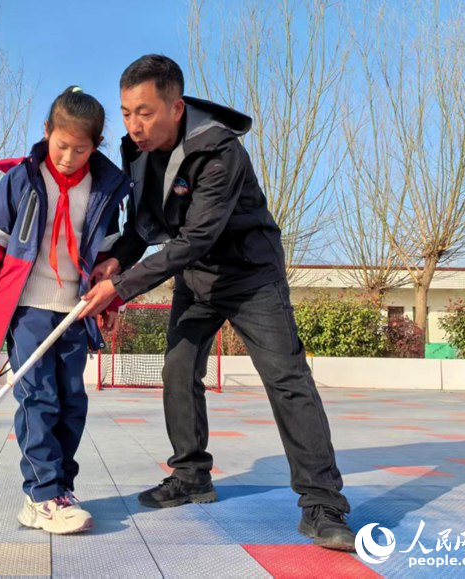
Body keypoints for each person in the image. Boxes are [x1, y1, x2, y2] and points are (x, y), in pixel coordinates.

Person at [79, 55, 355, 551]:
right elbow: (146, 227)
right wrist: (117, 263)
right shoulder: (136, 152)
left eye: (144, 112)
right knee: (178, 370)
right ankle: (191, 476)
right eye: (125, 112)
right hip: (198, 277)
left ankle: (323, 503)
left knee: (287, 379)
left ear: (176, 106)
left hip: (251, 277)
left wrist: (120, 290)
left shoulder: (219, 150)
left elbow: (198, 236)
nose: (133, 126)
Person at [0, 87, 129, 535]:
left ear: (96, 145)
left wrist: (110, 300)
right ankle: (41, 495)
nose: (70, 157)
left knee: (72, 401)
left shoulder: (106, 188)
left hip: (75, 312)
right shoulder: (21, 180)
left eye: (82, 148)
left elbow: (108, 252)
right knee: (38, 397)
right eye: (61, 146)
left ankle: (61, 489)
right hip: (28, 309)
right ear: (46, 133)